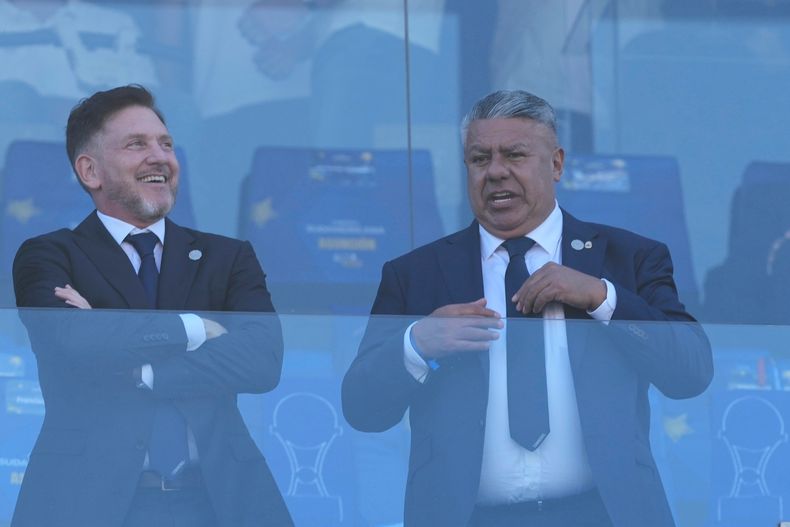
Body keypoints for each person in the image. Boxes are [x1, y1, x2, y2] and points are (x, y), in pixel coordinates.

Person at [341, 90, 713, 527]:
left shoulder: (627, 259)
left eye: (514, 155)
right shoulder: (416, 274)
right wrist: (417, 344)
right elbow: (362, 410)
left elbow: (690, 372)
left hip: (603, 514)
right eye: (480, 159)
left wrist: (602, 298)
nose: (496, 172)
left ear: (556, 163)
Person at [11, 85, 292, 527]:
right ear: (90, 171)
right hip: (86, 503)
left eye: (166, 144)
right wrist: (195, 330)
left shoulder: (228, 257)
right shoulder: (49, 255)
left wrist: (140, 370)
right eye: (136, 144)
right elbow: (70, 343)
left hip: (220, 503)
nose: (160, 157)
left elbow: (263, 360)